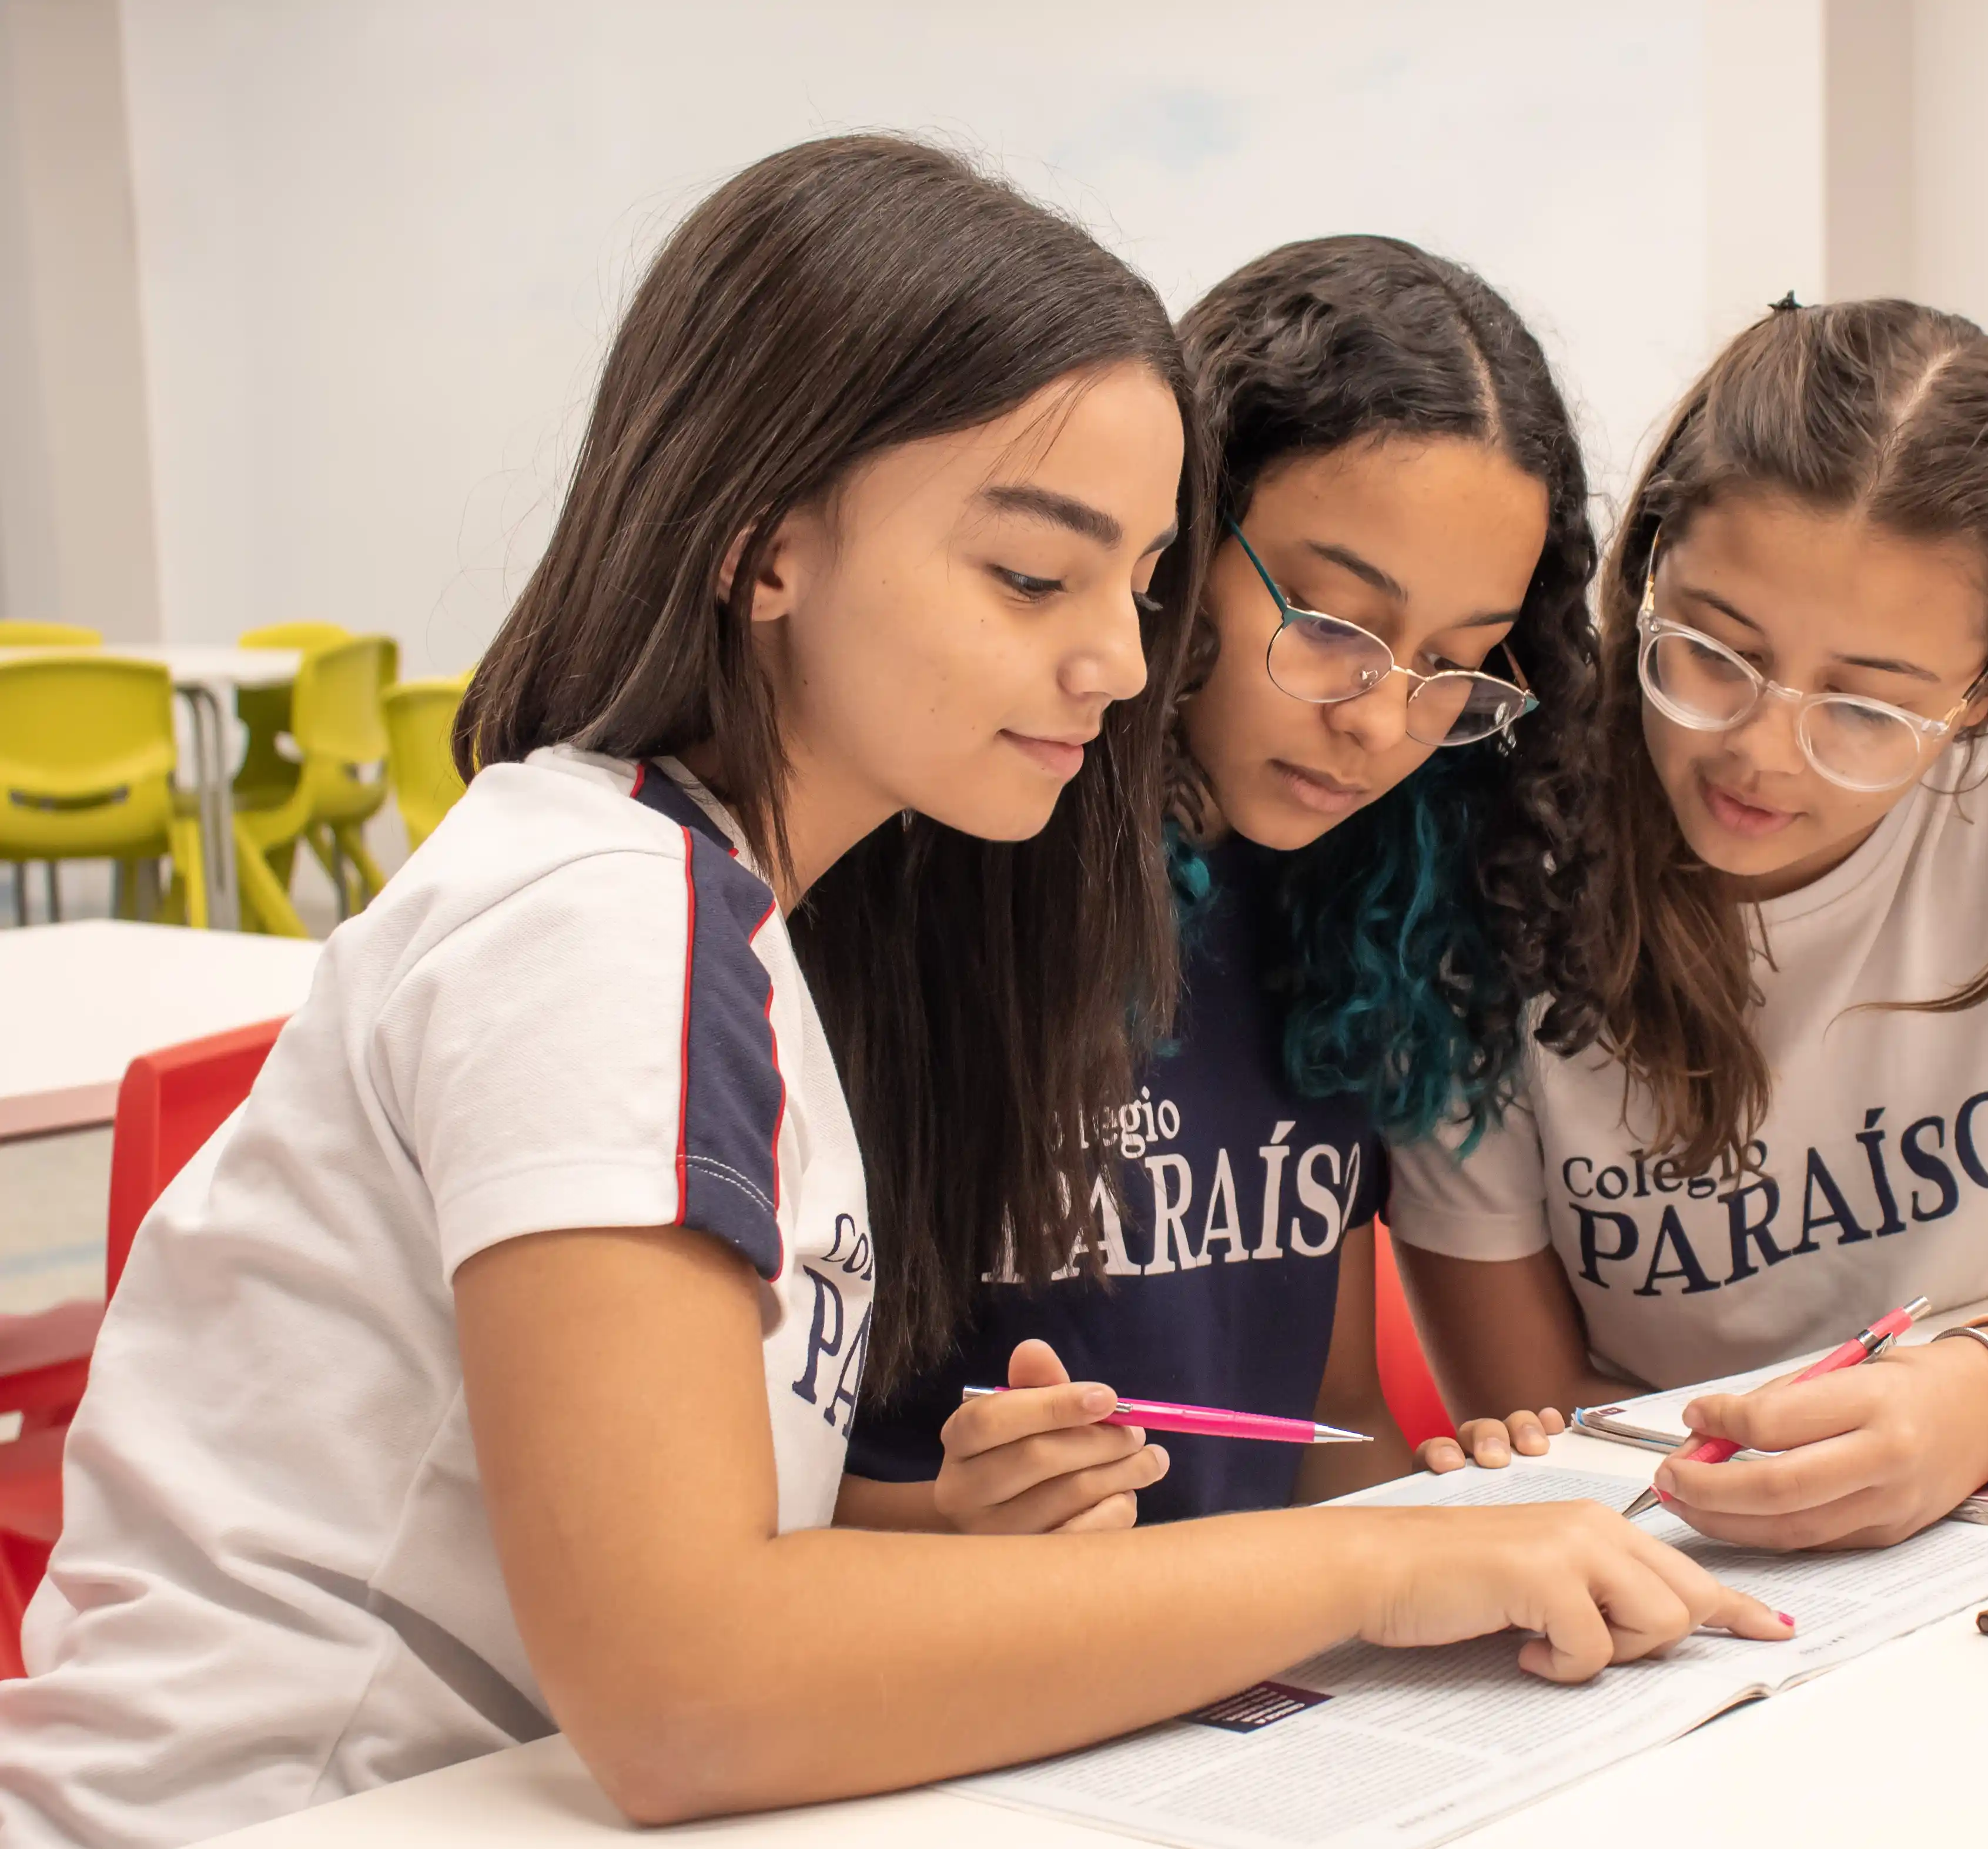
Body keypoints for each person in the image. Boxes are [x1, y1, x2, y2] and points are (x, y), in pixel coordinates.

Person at [0, 140, 1782, 1849]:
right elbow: (682, 1686)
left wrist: (940, 1526)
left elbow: (663, 1534)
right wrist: (1396, 1562)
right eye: (1029, 574)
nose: (1110, 657)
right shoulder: (605, 922)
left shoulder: (715, 911)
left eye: (1140, 584)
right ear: (765, 544)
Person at [1390, 297, 1988, 1550]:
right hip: (1678, 1529)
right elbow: (1525, 1410)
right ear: (1650, 560)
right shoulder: (1483, 845)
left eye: (1867, 708)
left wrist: (1984, 1395)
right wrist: (1756, 1490)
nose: (1763, 754)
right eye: (1712, 652)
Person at [836, 235, 1611, 1532]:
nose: (1383, 723)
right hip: (950, 1683)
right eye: (1330, 626)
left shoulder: (1357, 910)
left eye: (1456, 666)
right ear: (1180, 544)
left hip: (1239, 1692)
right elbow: (717, 1540)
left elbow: (1326, 1424)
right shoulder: (930, 875)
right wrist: (950, 1521)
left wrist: (1477, 1519)